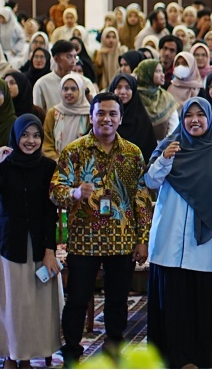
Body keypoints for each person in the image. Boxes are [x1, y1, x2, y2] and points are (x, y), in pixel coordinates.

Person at [51, 92, 152, 365]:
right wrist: (73, 193)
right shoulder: (74, 151)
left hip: (122, 240)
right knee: (77, 299)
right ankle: (72, 352)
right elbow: (55, 191)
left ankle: (114, 348)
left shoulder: (132, 153)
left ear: (120, 119)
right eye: (101, 113)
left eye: (112, 114)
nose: (106, 119)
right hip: (84, 239)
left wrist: (142, 239)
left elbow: (142, 199)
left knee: (117, 300)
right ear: (91, 117)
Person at [144, 97, 212, 369]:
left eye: (200, 115)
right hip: (168, 238)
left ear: (209, 119)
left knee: (198, 302)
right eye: (188, 115)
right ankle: (170, 357)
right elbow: (150, 181)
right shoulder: (169, 147)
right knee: (171, 301)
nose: (194, 120)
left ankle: (200, 357)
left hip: (203, 242)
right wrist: (165, 160)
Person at [0, 114, 63, 368]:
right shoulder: (4, 165)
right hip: (10, 245)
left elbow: (50, 212)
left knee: (35, 305)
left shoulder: (48, 167)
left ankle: (27, 356)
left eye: (36, 135)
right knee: (12, 304)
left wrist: (50, 251)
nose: (31, 141)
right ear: (16, 136)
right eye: (25, 135)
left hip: (38, 244)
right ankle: (10, 355)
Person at [108, 72, 158, 162]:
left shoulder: (142, 121)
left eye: (128, 88)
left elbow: (149, 153)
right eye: (118, 87)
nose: (123, 92)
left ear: (134, 91)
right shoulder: (104, 117)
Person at [42, 73, 92, 160]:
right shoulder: (53, 113)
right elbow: (46, 142)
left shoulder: (89, 114)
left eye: (73, 89)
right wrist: (58, 160)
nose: (69, 92)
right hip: (56, 163)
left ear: (80, 91)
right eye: (65, 89)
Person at [135, 59, 179, 140]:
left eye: (162, 71)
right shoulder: (135, 98)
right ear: (146, 74)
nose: (162, 75)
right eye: (158, 71)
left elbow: (174, 128)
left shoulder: (166, 97)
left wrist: (163, 145)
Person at [33, 40, 77, 111]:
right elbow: (38, 112)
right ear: (56, 59)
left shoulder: (82, 81)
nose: (73, 61)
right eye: (69, 57)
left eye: (75, 57)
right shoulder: (42, 83)